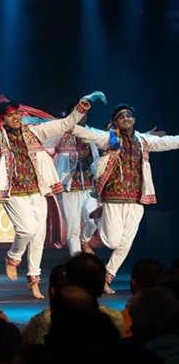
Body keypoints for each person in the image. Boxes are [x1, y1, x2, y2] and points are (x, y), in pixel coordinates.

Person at [0, 96, 93, 298]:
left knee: (38, 237)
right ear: (2, 120)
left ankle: (33, 281)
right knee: (26, 230)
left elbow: (64, 124)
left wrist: (80, 109)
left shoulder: (35, 131)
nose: (16, 117)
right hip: (13, 192)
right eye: (10, 116)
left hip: (37, 190)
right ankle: (13, 257)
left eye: (17, 113)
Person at [72, 103, 179, 294]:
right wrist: (66, 123)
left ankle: (107, 276)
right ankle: (99, 216)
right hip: (113, 197)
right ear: (116, 122)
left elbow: (168, 142)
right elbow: (87, 133)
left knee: (126, 243)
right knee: (113, 242)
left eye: (129, 116)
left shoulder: (143, 140)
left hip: (137, 199)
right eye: (122, 117)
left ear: (134, 120)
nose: (126, 119)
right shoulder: (108, 138)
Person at [50, 102, 101, 256]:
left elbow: (113, 138)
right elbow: (41, 136)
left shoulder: (92, 133)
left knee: (93, 221)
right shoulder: (60, 132)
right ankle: (77, 263)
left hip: (90, 188)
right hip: (69, 188)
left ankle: (85, 240)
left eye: (84, 112)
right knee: (73, 230)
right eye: (78, 111)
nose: (81, 115)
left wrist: (144, 136)